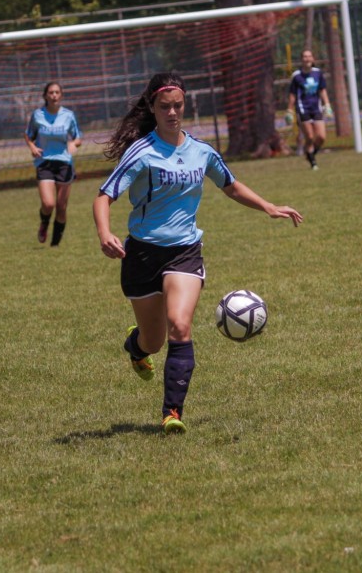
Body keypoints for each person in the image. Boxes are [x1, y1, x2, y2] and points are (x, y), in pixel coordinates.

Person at [93, 72, 303, 434]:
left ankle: (172, 412)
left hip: (185, 252)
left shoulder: (201, 151)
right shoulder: (141, 152)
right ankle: (136, 348)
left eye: (178, 106)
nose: (172, 113)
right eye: (165, 107)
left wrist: (268, 206)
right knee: (153, 340)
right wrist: (104, 233)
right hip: (141, 255)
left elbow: (230, 186)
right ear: (152, 108)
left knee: (179, 325)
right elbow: (104, 196)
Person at [25, 82, 82, 247]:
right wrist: (32, 147)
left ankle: (55, 244)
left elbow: (77, 137)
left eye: (57, 92)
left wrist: (73, 144)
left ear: (61, 95)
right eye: (51, 92)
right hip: (44, 162)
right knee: (48, 204)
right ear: (45, 96)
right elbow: (28, 135)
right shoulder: (38, 115)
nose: (54, 95)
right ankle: (44, 223)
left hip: (64, 164)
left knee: (61, 207)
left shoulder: (68, 115)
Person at [287, 49, 333, 170]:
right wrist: (289, 110)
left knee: (321, 137)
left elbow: (322, 90)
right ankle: (313, 163)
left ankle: (310, 154)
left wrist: (327, 105)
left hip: (316, 108)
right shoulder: (297, 76)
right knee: (310, 137)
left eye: (309, 56)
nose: (307, 59)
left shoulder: (318, 73)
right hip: (303, 109)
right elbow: (292, 94)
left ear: (313, 59)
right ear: (301, 59)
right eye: (305, 56)